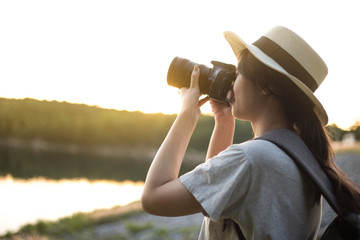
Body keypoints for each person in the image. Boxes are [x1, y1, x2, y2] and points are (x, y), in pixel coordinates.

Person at [141, 26, 360, 239]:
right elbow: (213, 195)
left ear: (268, 87)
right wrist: (223, 122)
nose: (232, 83)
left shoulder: (252, 159)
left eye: (237, 74)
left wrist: (188, 114)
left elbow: (154, 197)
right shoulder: (299, 156)